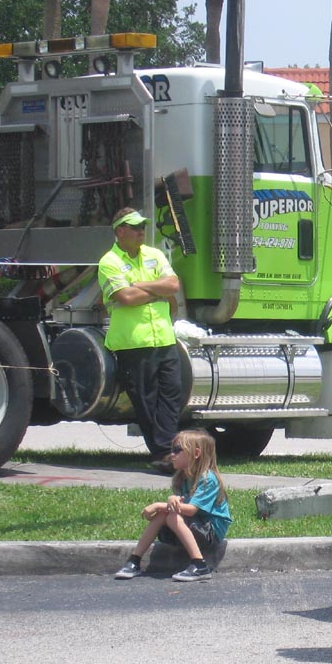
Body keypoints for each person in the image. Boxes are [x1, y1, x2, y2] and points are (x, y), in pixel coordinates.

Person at [97, 207, 184, 472]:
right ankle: (163, 453)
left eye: (142, 227)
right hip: (133, 342)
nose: (141, 232)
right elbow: (126, 298)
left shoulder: (154, 255)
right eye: (135, 227)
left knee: (172, 394)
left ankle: (168, 450)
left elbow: (174, 285)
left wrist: (140, 286)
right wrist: (158, 290)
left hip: (164, 337)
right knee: (146, 400)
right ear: (120, 231)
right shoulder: (109, 261)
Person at [113, 428, 232, 582]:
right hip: (193, 528)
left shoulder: (207, 479)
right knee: (164, 514)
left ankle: (200, 565)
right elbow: (181, 505)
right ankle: (134, 561)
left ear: (196, 454)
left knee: (170, 515)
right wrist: (171, 501)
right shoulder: (182, 478)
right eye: (172, 449)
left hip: (210, 534)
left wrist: (159, 505)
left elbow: (191, 510)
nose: (172, 454)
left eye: (177, 450)